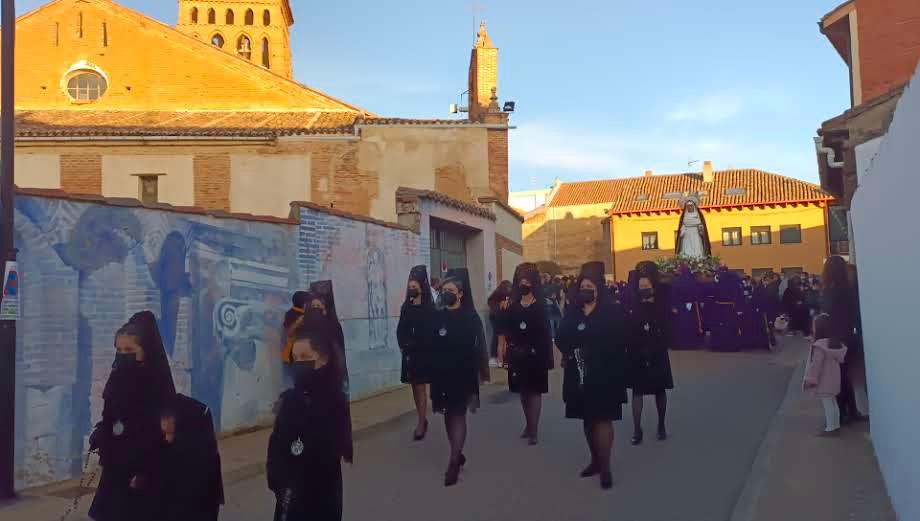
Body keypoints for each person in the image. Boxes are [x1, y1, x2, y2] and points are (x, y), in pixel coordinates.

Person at [88, 311, 177, 521]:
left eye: (129, 350)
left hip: (141, 471)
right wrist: (103, 431)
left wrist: (145, 472)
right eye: (119, 350)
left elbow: (164, 435)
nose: (122, 354)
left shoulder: (155, 383)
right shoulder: (117, 376)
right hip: (115, 468)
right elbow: (112, 414)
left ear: (145, 351)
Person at [266, 323, 351, 521]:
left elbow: (328, 452)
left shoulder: (335, 400)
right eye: (295, 359)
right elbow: (276, 445)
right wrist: (279, 483)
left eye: (305, 357)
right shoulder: (289, 400)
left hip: (321, 499)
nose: (299, 364)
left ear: (323, 359)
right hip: (289, 499)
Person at [555, 261, 627, 490]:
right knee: (587, 418)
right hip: (579, 373)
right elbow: (562, 336)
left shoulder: (611, 310)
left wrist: (596, 350)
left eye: (591, 286)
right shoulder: (573, 310)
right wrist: (571, 348)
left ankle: (605, 468)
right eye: (583, 286)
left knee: (603, 418)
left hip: (605, 372)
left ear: (598, 288)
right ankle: (595, 461)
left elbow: (619, 340)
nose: (586, 290)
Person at [430, 268, 490, 486]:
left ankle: (454, 462)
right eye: (444, 290)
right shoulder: (438, 315)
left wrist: (482, 372)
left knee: (458, 413)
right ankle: (457, 451)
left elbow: (479, 347)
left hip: (463, 373)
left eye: (451, 290)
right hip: (441, 374)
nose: (446, 293)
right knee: (447, 413)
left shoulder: (471, 317)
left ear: (461, 293)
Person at [497, 263, 554, 445]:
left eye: (526, 281)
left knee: (535, 391)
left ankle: (534, 430)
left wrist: (545, 356)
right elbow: (505, 327)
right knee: (523, 392)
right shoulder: (512, 305)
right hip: (518, 354)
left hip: (536, 354)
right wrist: (504, 347)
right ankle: (528, 424)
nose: (523, 284)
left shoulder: (541, 305)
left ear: (533, 283)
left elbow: (546, 333)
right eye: (520, 281)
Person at [154, 393, 224, 521]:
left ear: (184, 428)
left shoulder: (204, 456)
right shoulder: (174, 448)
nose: (167, 439)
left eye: (171, 433)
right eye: (164, 433)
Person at [308, 280, 354, 464]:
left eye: (320, 300)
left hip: (331, 384)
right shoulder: (308, 325)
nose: (316, 304)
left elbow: (339, 359)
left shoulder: (333, 326)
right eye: (313, 299)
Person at [625, 271, 674, 444]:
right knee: (637, 392)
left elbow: (668, 328)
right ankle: (637, 430)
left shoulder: (661, 306)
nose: (644, 289)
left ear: (653, 287)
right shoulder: (633, 306)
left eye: (647, 286)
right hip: (637, 353)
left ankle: (661, 425)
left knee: (659, 390)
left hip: (657, 352)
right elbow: (628, 328)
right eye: (641, 287)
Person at [820, 256, 866, 424]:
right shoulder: (850, 289)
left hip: (834, 339)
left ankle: (842, 413)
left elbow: (826, 315)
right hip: (850, 336)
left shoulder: (828, 291)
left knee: (837, 377)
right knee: (846, 376)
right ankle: (852, 411)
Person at [397, 265, 436, 441]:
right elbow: (401, 329)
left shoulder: (430, 307)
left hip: (425, 352)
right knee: (415, 386)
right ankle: (422, 419)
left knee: (421, 387)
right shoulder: (406, 307)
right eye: (409, 287)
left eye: (415, 287)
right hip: (410, 353)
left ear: (422, 287)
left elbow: (435, 330)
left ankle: (421, 421)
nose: (411, 290)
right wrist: (403, 344)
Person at [803, 314, 848, 436]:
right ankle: (835, 426)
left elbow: (816, 365)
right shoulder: (835, 344)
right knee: (833, 402)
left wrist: (810, 379)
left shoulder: (819, 346)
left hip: (824, 380)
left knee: (827, 404)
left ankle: (830, 428)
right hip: (834, 379)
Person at [668, 265, 705, 350]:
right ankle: (693, 344)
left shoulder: (676, 282)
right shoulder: (695, 281)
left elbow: (672, 295)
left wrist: (673, 306)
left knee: (680, 325)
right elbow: (699, 294)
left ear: (681, 272)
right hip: (693, 306)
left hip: (680, 306)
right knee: (692, 325)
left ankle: (680, 344)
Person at [708, 267, 743, 351]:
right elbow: (739, 297)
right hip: (730, 308)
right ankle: (732, 345)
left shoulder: (717, 285)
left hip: (719, 309)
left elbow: (713, 296)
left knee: (720, 327)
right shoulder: (734, 284)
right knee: (730, 327)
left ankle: (718, 345)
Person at [487, 281, 513, 367]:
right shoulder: (509, 297)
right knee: (505, 342)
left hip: (497, 320)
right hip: (505, 321)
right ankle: (506, 362)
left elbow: (490, 303)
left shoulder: (495, 295)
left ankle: (500, 362)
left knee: (500, 342)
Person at [281, 291, 310, 364]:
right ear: (304, 304)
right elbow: (288, 333)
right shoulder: (296, 315)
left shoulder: (291, 312)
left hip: (295, 354)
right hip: (292, 355)